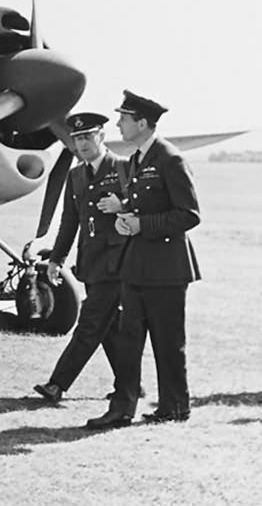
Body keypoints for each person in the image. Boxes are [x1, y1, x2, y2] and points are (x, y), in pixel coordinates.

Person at [86, 90, 201, 430]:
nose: (118, 124)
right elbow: (146, 205)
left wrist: (142, 224)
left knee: (167, 342)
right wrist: (126, 215)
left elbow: (189, 215)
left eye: (123, 118)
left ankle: (175, 406)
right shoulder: (138, 158)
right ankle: (122, 408)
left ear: (142, 123)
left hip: (167, 268)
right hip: (136, 265)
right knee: (128, 340)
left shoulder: (170, 159)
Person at [33, 113, 128, 403]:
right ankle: (129, 385)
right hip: (91, 262)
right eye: (77, 138)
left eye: (88, 136)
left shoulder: (123, 168)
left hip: (119, 263)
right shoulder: (76, 175)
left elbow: (148, 205)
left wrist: (122, 204)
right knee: (109, 328)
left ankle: (57, 384)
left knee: (90, 323)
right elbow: (69, 222)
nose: (82, 143)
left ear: (102, 136)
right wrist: (56, 259)